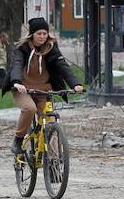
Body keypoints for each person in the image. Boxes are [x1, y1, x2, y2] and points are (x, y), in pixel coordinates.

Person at [7, 18, 83, 159]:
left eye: (45, 33)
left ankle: (53, 161)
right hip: (23, 89)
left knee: (50, 123)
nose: (42, 37)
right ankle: (18, 139)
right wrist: (17, 82)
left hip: (44, 91)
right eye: (39, 34)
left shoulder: (51, 48)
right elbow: (16, 65)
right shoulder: (22, 49)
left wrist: (75, 84)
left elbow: (63, 66)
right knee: (30, 109)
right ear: (32, 35)